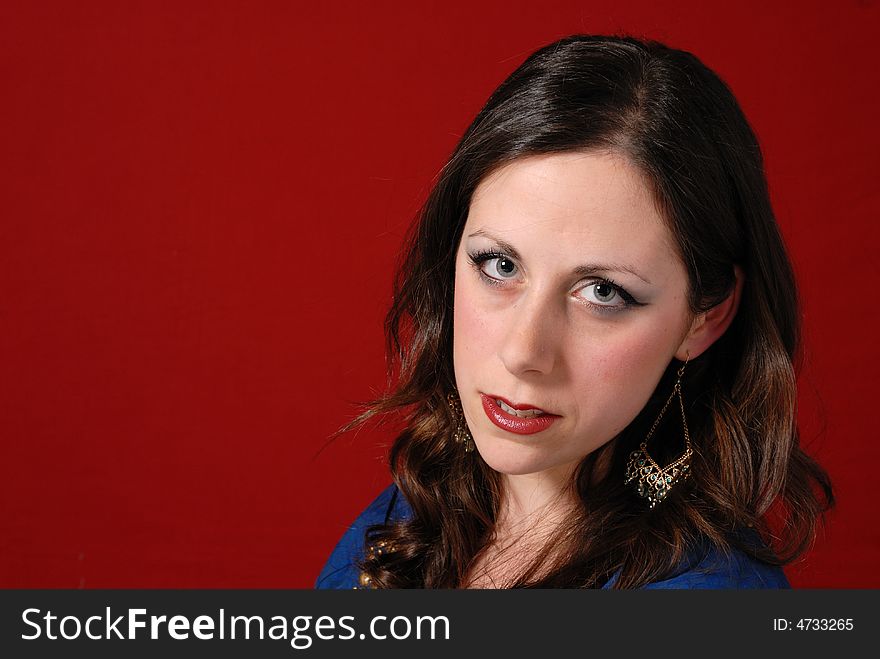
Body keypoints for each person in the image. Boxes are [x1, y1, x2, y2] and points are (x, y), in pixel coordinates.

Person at [316, 34, 833, 589]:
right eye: (499, 265)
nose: (522, 352)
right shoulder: (403, 522)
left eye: (602, 293)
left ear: (704, 316)